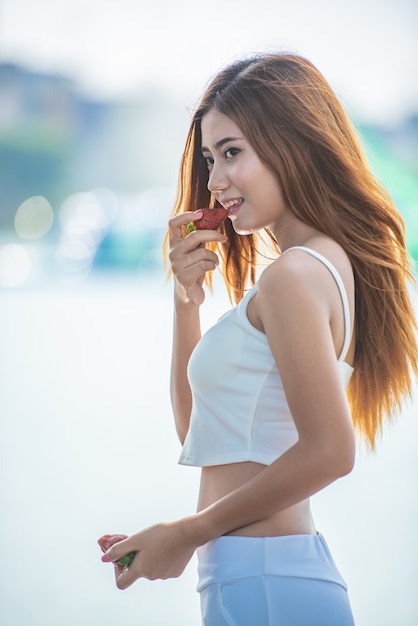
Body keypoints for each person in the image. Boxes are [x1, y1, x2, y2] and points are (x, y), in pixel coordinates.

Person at [101, 53, 418, 625]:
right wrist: (186, 299)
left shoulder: (295, 274)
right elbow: (200, 433)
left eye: (232, 152)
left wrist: (186, 532)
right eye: (209, 157)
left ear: (292, 142)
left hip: (269, 583)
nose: (215, 179)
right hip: (257, 579)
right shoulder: (315, 268)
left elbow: (331, 451)